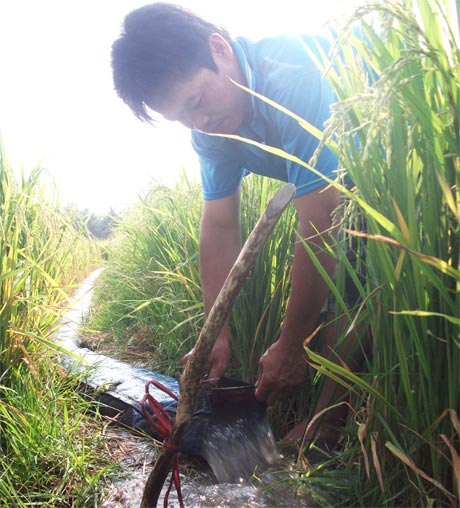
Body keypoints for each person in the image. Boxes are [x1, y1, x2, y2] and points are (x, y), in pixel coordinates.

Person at [111, 2, 361, 443]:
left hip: (406, 166)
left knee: (357, 272)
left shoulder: (293, 76)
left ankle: (329, 421)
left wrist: (291, 345)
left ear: (219, 49)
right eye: (183, 117)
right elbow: (221, 226)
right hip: (348, 186)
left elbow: (322, 222)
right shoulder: (210, 133)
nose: (199, 123)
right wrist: (215, 334)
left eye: (198, 101)